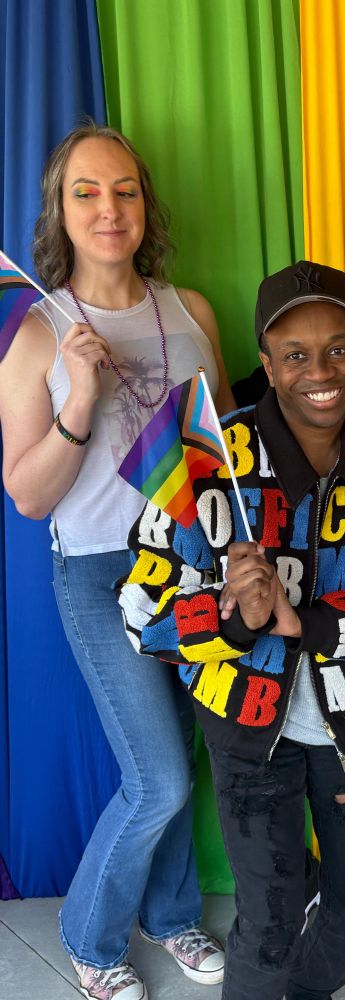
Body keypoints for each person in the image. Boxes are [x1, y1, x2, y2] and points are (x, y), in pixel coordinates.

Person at [117, 260, 345, 1000]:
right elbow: (141, 616)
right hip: (247, 732)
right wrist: (231, 620)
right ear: (268, 364)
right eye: (297, 355)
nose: (321, 372)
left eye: (339, 348)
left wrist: (304, 622)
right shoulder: (205, 465)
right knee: (270, 924)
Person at [0, 122, 234, 1000]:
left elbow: (227, 446)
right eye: (87, 192)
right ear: (61, 211)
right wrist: (79, 402)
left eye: (125, 190)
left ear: (146, 205)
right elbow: (27, 495)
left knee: (187, 752)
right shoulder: (36, 336)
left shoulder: (192, 310)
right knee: (158, 778)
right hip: (101, 574)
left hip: (197, 566)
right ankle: (87, 931)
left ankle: (170, 917)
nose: (110, 208)